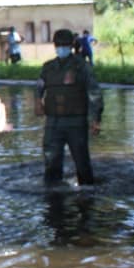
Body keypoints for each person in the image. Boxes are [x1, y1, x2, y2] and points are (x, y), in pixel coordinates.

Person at [36, 28, 103, 185]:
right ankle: (52, 195)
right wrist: (38, 101)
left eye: (64, 44)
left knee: (82, 162)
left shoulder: (82, 66)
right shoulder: (48, 67)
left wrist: (96, 119)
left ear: (71, 45)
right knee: (51, 162)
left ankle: (87, 196)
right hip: (53, 123)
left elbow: (94, 92)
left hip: (76, 122)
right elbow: (39, 85)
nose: (61, 47)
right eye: (58, 44)